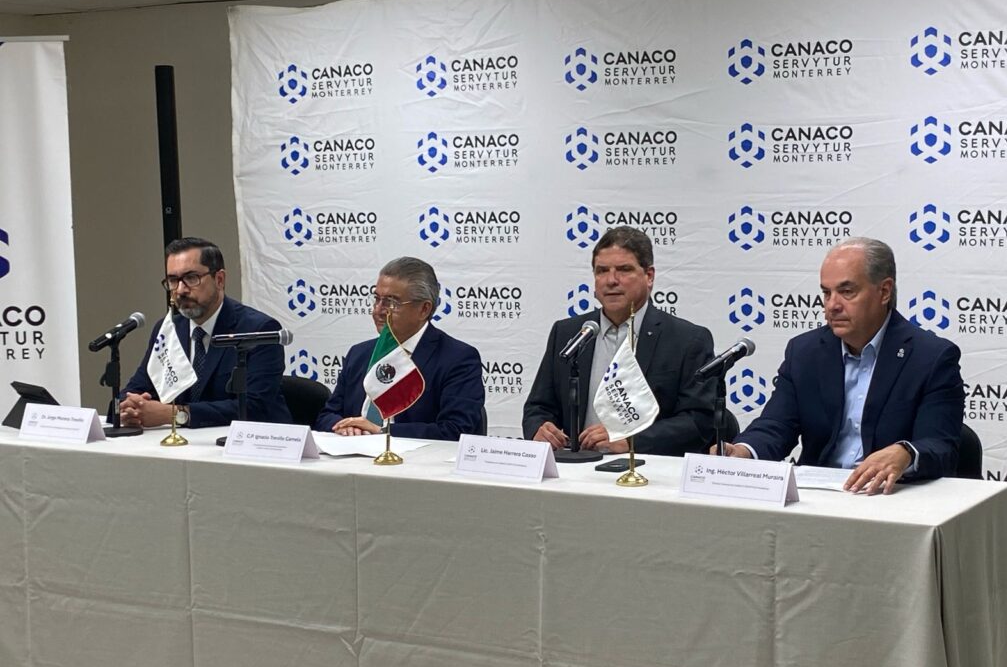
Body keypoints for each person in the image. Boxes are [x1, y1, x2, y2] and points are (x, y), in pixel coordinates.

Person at [717, 237, 964, 494]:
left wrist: (905, 453)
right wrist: (744, 451)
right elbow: (776, 426)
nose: (832, 305)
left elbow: (941, 446)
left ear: (884, 292)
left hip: (890, 496)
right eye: (826, 293)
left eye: (847, 292)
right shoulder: (805, 352)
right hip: (819, 496)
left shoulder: (931, 357)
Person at [522, 226, 715, 456]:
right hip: (575, 468)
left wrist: (631, 441)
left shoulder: (687, 340)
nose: (611, 280)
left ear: (649, 276)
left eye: (624, 270)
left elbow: (698, 422)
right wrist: (539, 429)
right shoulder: (568, 332)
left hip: (649, 469)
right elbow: (538, 407)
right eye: (602, 271)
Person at [120, 237, 291, 428]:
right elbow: (137, 387)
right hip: (189, 443)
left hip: (252, 441)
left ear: (219, 280)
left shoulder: (258, 329)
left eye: (191, 278)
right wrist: (129, 407)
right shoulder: (169, 329)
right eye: (173, 280)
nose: (180, 290)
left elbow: (255, 407)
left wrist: (177, 415)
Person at [315, 257, 485, 440]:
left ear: (424, 309)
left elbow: (454, 430)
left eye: (391, 303)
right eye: (377, 299)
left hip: (414, 456)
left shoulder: (458, 359)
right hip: (350, 452)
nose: (378, 310)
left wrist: (381, 432)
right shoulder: (359, 353)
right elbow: (327, 416)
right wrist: (346, 427)